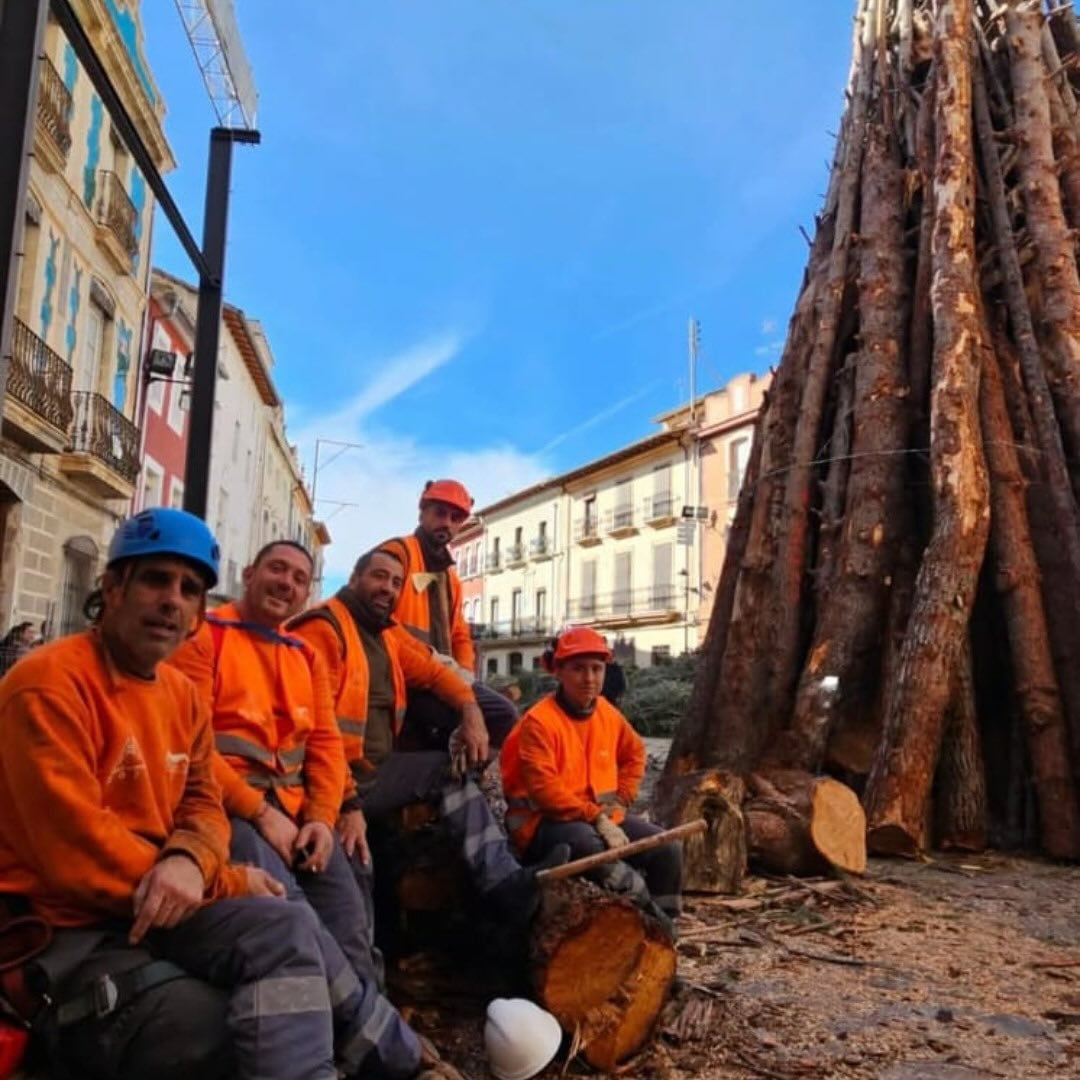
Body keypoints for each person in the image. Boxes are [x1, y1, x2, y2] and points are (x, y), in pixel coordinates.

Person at [0, 508, 423, 1080]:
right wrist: (222, 877)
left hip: (165, 896)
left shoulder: (180, 694)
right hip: (69, 927)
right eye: (155, 579)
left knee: (296, 928)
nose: (172, 600)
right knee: (234, 1022)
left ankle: (401, 1060)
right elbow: (79, 856)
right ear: (112, 586)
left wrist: (189, 858)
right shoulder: (48, 687)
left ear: (199, 607)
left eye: (189, 588)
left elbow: (200, 800)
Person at [291, 547, 568, 924]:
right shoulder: (324, 631)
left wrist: (471, 711)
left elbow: (435, 673)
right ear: (353, 580)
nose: (387, 588)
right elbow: (320, 737)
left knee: (448, 771)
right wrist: (347, 806)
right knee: (355, 896)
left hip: (374, 773)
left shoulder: (384, 635)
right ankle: (364, 966)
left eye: (395, 582)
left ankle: (504, 884)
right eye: (378, 577)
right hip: (333, 787)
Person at [168, 540, 381, 989]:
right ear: (248, 575)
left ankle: (368, 1013)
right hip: (226, 808)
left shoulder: (304, 655)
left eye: (299, 578)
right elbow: (191, 744)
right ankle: (356, 1032)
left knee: (348, 913)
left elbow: (325, 746)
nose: (286, 583)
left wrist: (323, 820)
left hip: (296, 811)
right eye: (277, 570)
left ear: (306, 595)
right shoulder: (203, 636)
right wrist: (260, 812)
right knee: (293, 911)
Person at [500, 627, 683, 927]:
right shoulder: (539, 722)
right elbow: (546, 791)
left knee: (667, 848)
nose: (589, 678)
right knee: (588, 845)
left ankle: (668, 930)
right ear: (558, 671)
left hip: (598, 818)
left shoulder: (607, 714)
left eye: (597, 669)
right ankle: (650, 917)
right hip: (542, 825)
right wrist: (597, 818)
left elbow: (634, 753)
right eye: (578, 669)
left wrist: (623, 796)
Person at [379, 479, 517, 750]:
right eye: (440, 513)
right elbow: (379, 622)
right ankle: (457, 778)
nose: (448, 523)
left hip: (437, 679)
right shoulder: (398, 554)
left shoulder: (450, 578)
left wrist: (463, 673)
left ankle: (455, 778)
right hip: (403, 675)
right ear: (422, 513)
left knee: (485, 718)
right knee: (501, 714)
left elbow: (459, 635)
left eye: (456, 518)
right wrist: (440, 671)